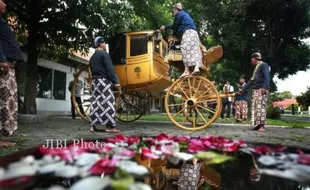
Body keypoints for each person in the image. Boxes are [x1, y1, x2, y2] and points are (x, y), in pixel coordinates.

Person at [0, 0, 24, 147]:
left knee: (6, 102)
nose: (5, 4)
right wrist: (1, 59)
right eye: (2, 1)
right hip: (3, 65)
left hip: (8, 64)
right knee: (2, 102)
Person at [160, 3, 202, 78]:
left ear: (176, 9)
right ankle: (196, 68)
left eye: (173, 12)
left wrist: (165, 27)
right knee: (195, 49)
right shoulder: (186, 15)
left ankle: (186, 71)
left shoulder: (178, 14)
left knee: (184, 48)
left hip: (187, 33)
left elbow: (175, 27)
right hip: (194, 33)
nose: (173, 14)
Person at [89, 36, 121, 133]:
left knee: (95, 103)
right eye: (104, 43)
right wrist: (116, 82)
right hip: (104, 82)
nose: (105, 45)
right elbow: (110, 70)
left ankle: (92, 126)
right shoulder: (104, 55)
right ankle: (109, 127)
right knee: (109, 103)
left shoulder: (92, 57)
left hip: (95, 82)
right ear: (100, 44)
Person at [240, 52, 270, 132]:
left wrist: (265, 87)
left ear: (255, 58)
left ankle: (262, 126)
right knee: (256, 108)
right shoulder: (257, 67)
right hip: (256, 89)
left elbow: (267, 76)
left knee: (261, 107)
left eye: (252, 58)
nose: (251, 60)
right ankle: (258, 124)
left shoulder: (264, 65)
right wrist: (243, 89)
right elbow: (251, 80)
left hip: (261, 89)